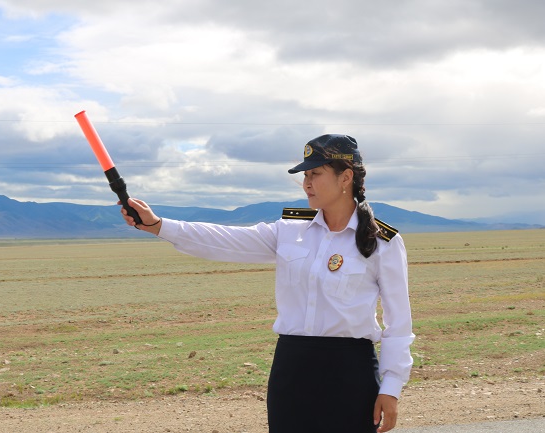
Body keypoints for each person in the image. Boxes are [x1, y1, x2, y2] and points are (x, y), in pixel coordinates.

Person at [119, 134, 414, 433]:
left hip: (350, 375)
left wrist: (391, 387)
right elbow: (224, 240)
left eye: (315, 174)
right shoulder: (290, 230)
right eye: (305, 176)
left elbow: (399, 323)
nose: (307, 183)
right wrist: (159, 225)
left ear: (346, 177)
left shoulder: (382, 242)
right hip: (292, 371)